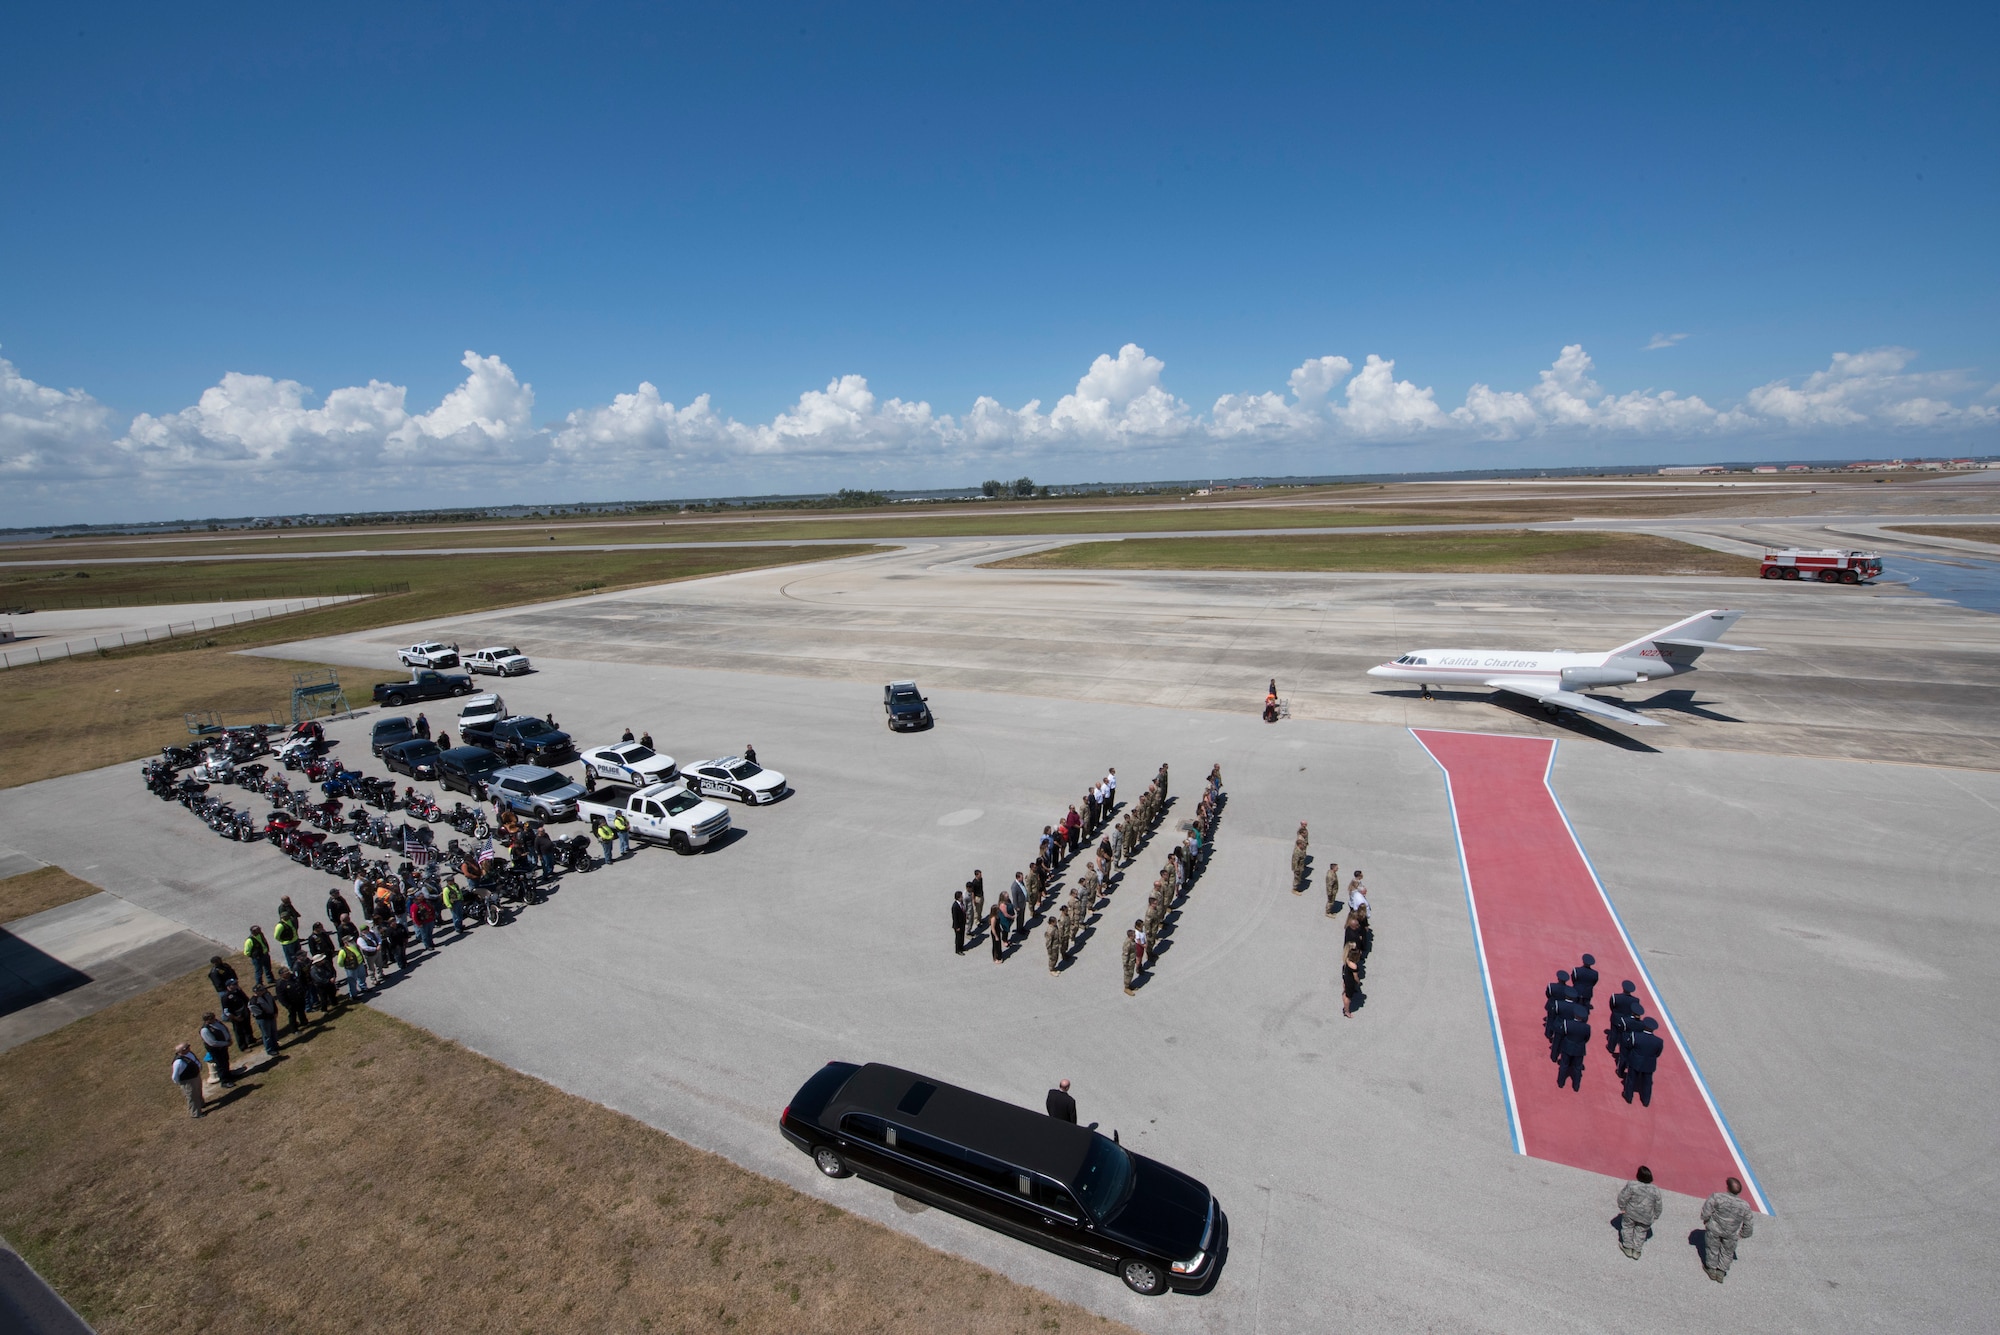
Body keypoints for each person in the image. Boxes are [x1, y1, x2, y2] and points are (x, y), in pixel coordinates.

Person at [1701, 1178, 1756, 1281]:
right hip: (1731, 1233)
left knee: (1712, 1249)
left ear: (1727, 1187)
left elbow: (1706, 1211)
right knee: (1727, 1252)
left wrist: (1706, 1220)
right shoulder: (1745, 1206)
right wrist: (1744, 1234)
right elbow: (1748, 1223)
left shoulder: (1717, 1197)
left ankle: (1711, 1269)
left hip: (1714, 1229)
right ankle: (1721, 1272)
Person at [1616, 1167, 1663, 1259]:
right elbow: (1658, 1205)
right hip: (1646, 1216)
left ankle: (1627, 1247)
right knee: (1641, 1232)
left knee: (1627, 1228)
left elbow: (1622, 1197)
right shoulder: (1655, 1190)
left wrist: (1622, 1207)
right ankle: (1637, 1251)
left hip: (1631, 1213)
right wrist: (1656, 1215)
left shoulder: (1632, 1185)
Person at [1622, 1018, 1663, 1105]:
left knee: (1631, 1079)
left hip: (1635, 1061)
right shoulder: (1659, 1041)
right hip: (1649, 1064)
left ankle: (1628, 1097)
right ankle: (1646, 1101)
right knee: (1647, 1083)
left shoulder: (1635, 1036)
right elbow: (1658, 1053)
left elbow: (1629, 1046)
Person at [200, 1013, 236, 1087]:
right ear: (207, 1020)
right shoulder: (205, 1030)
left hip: (223, 1046)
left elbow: (224, 1029)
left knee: (225, 1061)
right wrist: (226, 1043)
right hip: (216, 1050)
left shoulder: (216, 1022)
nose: (214, 1019)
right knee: (220, 1064)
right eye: (212, 1018)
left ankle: (229, 1075)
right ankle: (224, 1081)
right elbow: (212, 1043)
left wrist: (228, 1039)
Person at [172, 1042, 206, 1118]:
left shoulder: (189, 1053)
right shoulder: (178, 1062)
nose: (189, 1048)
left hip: (195, 1076)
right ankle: (195, 1113)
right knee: (192, 1096)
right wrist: (180, 1083)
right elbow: (175, 1076)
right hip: (188, 1081)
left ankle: (201, 1104)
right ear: (182, 1051)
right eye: (186, 1048)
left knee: (198, 1091)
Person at [220, 979, 254, 1051]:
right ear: (229, 986)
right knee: (239, 1032)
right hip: (236, 1016)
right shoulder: (226, 997)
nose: (236, 985)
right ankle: (243, 1047)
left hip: (244, 1012)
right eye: (234, 984)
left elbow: (246, 1000)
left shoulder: (238, 991)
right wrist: (235, 1018)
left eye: (236, 983)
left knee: (248, 1027)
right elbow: (226, 1011)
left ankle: (250, 1040)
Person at [249, 984, 281, 1057]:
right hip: (263, 1020)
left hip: (272, 1016)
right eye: (261, 990)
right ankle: (270, 1050)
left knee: (274, 1032)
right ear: (257, 992)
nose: (264, 991)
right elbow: (259, 1014)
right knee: (267, 1035)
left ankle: (275, 1045)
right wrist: (271, 1016)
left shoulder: (267, 995)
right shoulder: (253, 1002)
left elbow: (273, 1003)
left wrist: (275, 1012)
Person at [275, 967, 309, 1032]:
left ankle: (304, 1022)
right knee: (292, 1015)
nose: (288, 972)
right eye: (286, 972)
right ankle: (294, 1029)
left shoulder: (292, 977)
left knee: (301, 1011)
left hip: (299, 999)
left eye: (287, 971)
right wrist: (287, 1005)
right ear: (282, 975)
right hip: (291, 1003)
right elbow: (281, 997)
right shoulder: (280, 984)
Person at [1341, 940, 1362, 1017]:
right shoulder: (1354, 966)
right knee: (1348, 997)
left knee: (1346, 991)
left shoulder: (1346, 958)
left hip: (1346, 977)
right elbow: (1355, 976)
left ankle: (1344, 995)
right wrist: (1358, 982)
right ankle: (1346, 1011)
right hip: (1350, 981)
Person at [951, 891, 967, 955]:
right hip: (958, 925)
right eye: (961, 897)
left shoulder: (961, 903)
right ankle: (958, 950)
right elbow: (955, 918)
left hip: (962, 923)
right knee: (958, 938)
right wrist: (957, 927)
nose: (962, 897)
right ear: (958, 898)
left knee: (962, 936)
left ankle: (961, 947)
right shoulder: (955, 906)